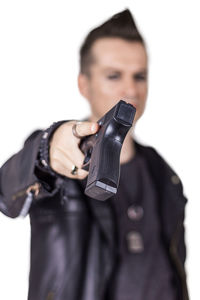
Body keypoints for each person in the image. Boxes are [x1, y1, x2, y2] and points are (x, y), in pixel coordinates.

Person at [0, 9, 188, 300]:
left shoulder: (164, 174)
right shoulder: (59, 159)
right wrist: (46, 150)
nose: (131, 89)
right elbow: (8, 188)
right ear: (83, 84)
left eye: (140, 76)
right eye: (114, 75)